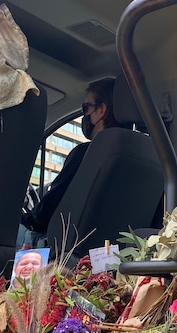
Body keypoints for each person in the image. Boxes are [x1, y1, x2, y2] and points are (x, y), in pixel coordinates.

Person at [19, 78, 124, 247]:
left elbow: (45, 214)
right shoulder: (149, 158)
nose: (85, 115)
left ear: (101, 110)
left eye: (86, 108)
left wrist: (27, 219)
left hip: (64, 250)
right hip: (115, 253)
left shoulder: (87, 154)